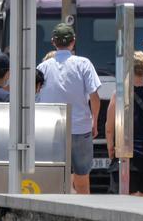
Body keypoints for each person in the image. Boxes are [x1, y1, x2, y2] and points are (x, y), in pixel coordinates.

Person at [37, 23, 101, 194]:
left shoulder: (42, 68)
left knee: (53, 176)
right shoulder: (84, 64)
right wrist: (94, 121)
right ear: (73, 41)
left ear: (53, 42)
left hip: (50, 130)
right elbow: (94, 97)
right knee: (82, 176)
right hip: (80, 128)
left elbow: (35, 98)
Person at [105, 51, 143, 195]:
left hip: (126, 155)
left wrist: (111, 148)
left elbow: (110, 127)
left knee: (125, 201)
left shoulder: (119, 93)